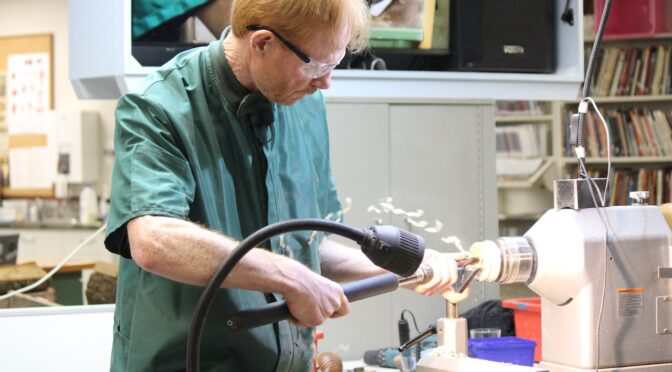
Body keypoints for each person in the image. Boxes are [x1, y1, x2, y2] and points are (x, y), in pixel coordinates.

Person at [106, 0, 468, 370]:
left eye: (334, 63)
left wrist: (398, 268)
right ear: (262, 43)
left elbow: (306, 246)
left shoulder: (304, 106)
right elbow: (154, 239)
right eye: (315, 65)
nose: (325, 81)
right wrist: (292, 277)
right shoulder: (158, 106)